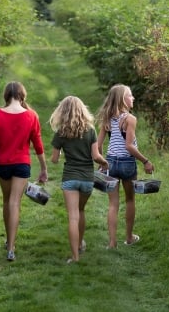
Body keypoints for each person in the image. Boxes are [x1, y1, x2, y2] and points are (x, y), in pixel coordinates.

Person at [0, 81, 48, 261]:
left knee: (7, 202)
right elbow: (38, 144)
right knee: (15, 203)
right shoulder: (31, 116)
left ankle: (8, 241)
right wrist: (43, 168)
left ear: (6, 95)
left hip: (3, 165)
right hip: (22, 165)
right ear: (22, 95)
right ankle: (11, 247)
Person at [49, 96, 108, 263]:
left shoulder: (61, 132)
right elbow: (96, 156)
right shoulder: (90, 130)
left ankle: (75, 257)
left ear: (63, 112)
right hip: (87, 179)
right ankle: (81, 244)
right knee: (81, 211)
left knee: (72, 217)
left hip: (70, 178)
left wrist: (60, 151)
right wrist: (104, 162)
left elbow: (54, 159)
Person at [96, 84, 154, 249]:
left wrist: (101, 162)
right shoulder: (130, 119)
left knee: (113, 204)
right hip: (127, 163)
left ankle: (112, 242)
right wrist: (146, 161)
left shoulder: (106, 119)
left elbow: (99, 145)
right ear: (123, 99)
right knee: (130, 200)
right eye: (130, 95)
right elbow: (129, 146)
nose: (133, 98)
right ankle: (128, 237)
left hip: (111, 162)